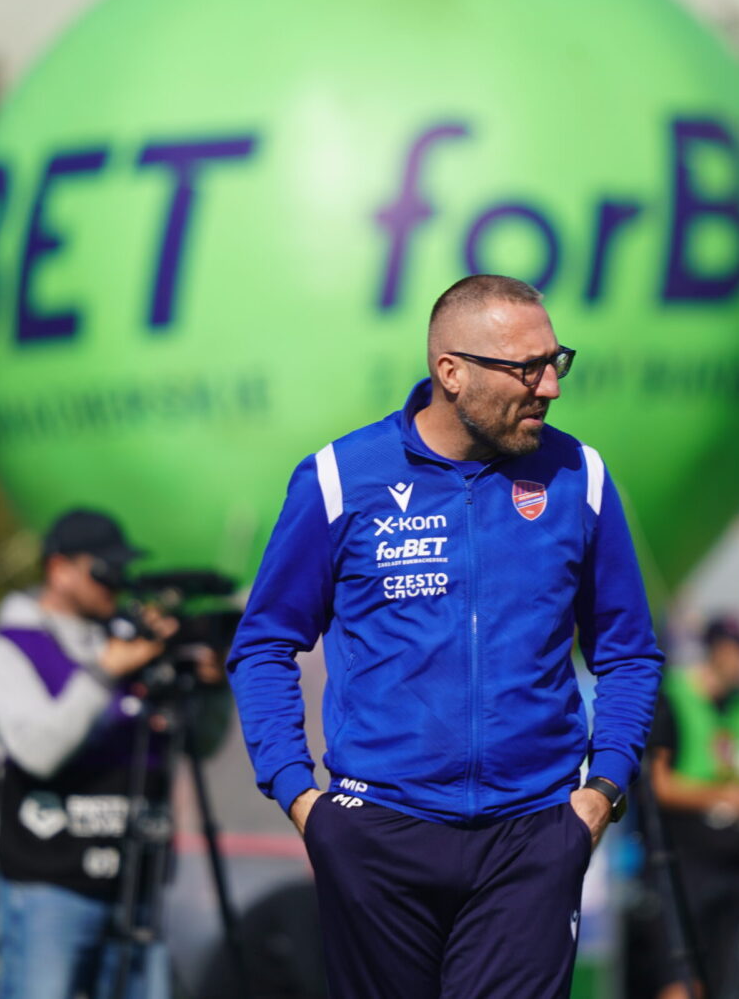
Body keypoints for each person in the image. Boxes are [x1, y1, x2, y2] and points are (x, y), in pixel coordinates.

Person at [227, 274, 664, 999]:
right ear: (450, 371)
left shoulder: (579, 476)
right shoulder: (340, 478)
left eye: (557, 361)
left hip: (533, 836)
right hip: (377, 835)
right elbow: (264, 643)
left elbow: (628, 650)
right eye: (528, 368)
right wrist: (302, 798)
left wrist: (601, 793)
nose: (550, 386)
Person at [0, 509, 191, 999]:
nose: (115, 581)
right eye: (102, 568)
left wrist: (204, 683)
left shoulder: (133, 647)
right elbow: (38, 751)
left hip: (136, 878)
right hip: (50, 880)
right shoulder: (11, 649)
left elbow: (197, 745)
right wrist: (103, 673)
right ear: (59, 568)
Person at [646, 615, 739, 999]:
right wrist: (720, 797)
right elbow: (659, 785)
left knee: (729, 979)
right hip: (684, 861)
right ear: (718, 651)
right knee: (683, 978)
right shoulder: (674, 695)